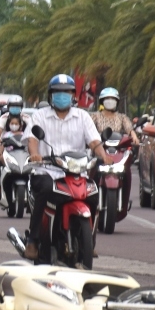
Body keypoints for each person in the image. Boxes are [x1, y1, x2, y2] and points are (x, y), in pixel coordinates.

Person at [23, 74, 113, 260]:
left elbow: (95, 141)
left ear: (73, 95)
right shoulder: (40, 116)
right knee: (46, 189)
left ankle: (90, 240)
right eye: (57, 92)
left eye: (66, 92)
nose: (62, 95)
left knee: (94, 193)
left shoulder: (83, 117)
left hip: (76, 172)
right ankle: (32, 240)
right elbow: (32, 139)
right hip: (46, 169)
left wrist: (104, 156)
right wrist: (35, 154)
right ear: (50, 95)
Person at [0, 95, 30, 200]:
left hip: (24, 149)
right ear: (8, 107)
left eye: (17, 106)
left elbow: (33, 129)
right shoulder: (4, 117)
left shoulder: (26, 117)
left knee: (36, 164)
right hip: (8, 149)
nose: (15, 108)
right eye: (13, 106)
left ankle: (34, 190)